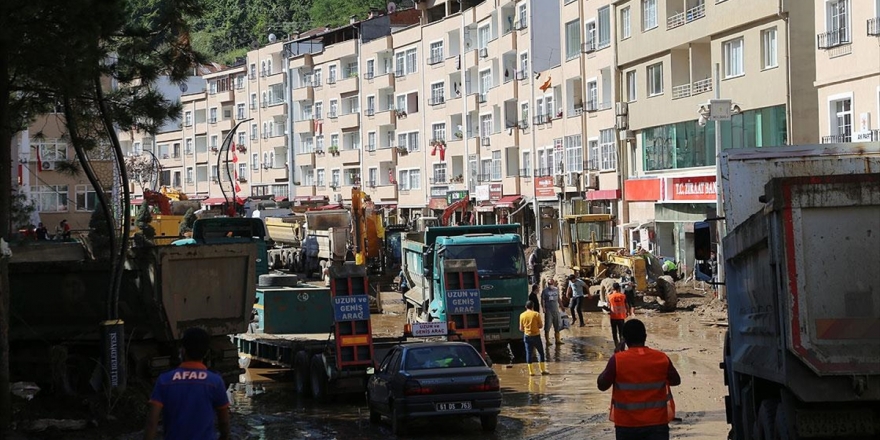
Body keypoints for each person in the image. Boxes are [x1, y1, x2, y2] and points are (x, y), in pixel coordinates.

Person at [597, 320, 681, 440]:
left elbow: (602, 385)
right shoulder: (661, 358)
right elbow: (676, 380)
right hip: (657, 423)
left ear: (624, 339)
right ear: (645, 337)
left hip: (627, 425)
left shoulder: (617, 360)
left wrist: (614, 356)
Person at [145, 327, 230, 440]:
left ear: (183, 351)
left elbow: (152, 422)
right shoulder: (215, 381)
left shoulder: (165, 380)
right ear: (206, 353)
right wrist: (224, 437)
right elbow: (224, 421)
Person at [519, 300, 549, 376]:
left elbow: (521, 328)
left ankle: (531, 372)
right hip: (536, 336)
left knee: (528, 353)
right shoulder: (536, 314)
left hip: (527, 336)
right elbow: (541, 326)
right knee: (541, 353)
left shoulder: (522, 315)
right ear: (533, 306)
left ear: (525, 307)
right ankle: (542, 370)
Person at [607, 283, 632, 348]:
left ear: (613, 288)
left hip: (613, 317)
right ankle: (622, 347)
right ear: (619, 288)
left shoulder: (609, 296)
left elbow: (608, 306)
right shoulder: (623, 296)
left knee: (614, 332)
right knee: (621, 333)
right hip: (621, 317)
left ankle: (616, 346)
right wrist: (628, 312)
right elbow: (626, 305)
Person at [541, 278, 564, 347]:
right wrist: (543, 308)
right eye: (549, 284)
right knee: (547, 325)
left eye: (551, 284)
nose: (550, 285)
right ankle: (547, 340)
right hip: (548, 311)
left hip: (556, 310)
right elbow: (542, 300)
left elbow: (559, 299)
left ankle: (558, 340)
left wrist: (562, 306)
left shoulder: (556, 290)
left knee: (557, 325)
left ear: (554, 283)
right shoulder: (545, 291)